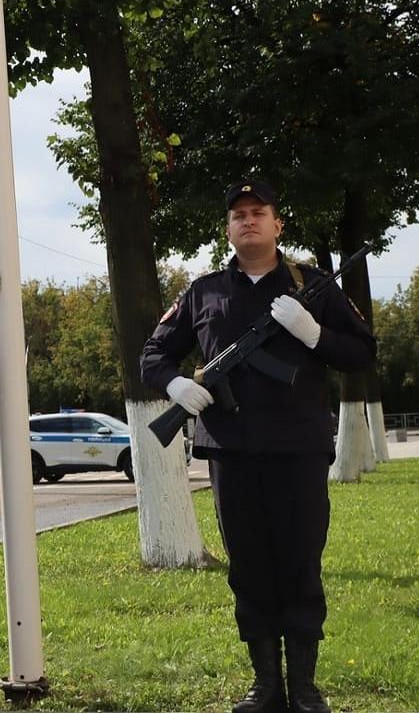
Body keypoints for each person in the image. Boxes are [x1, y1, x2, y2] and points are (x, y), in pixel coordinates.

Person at [140, 180, 376, 713]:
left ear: (278, 225)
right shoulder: (203, 292)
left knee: (300, 563)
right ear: (228, 228)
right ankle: (265, 685)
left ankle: (305, 688)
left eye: (258, 212)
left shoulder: (312, 285)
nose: (248, 220)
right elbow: (154, 354)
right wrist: (176, 386)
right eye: (238, 214)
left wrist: (314, 334)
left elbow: (362, 351)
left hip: (298, 451)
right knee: (248, 567)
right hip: (233, 453)